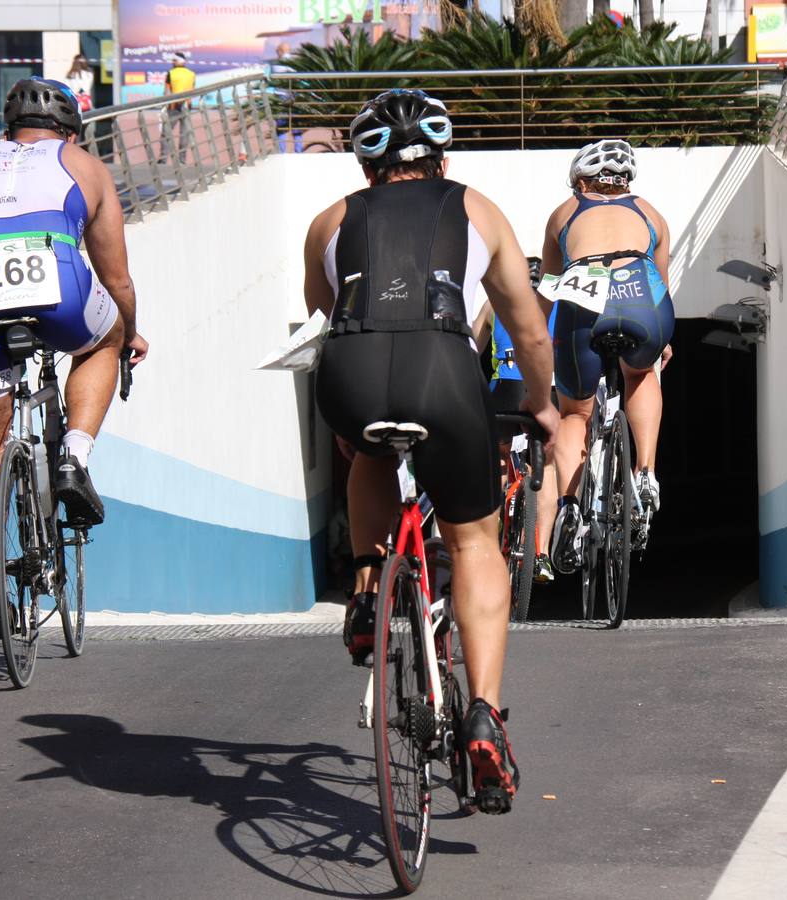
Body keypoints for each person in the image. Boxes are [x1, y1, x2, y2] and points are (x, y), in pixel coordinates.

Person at [302, 89, 559, 813]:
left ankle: (365, 590)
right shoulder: (477, 209)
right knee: (474, 541)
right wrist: (538, 402)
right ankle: (483, 712)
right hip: (443, 370)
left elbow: (324, 307)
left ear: (367, 163)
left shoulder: (331, 218)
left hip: (352, 372)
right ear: (441, 157)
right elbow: (531, 333)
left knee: (366, 451)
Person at [0, 78, 149, 638]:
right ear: (71, 131)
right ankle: (72, 457)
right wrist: (132, 331)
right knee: (104, 341)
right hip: (57, 279)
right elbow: (117, 277)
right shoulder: (85, 165)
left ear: (7, 129)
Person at [542, 139, 674, 575]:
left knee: (575, 413)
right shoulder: (653, 214)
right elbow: (663, 281)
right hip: (644, 300)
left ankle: (569, 507)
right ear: (626, 181)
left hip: (586, 296)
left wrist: (539, 344)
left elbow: (548, 288)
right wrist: (662, 343)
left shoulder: (564, 212)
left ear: (581, 179)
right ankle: (645, 471)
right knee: (641, 375)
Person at [472, 259, 561, 585]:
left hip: (504, 393)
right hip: (543, 390)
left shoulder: (494, 305)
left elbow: (470, 348)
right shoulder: (557, 306)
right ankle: (541, 554)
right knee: (547, 466)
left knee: (497, 458)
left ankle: (489, 541)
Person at [159, 53, 195, 164]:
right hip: (187, 106)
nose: (172, 62)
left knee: (166, 132)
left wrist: (164, 106)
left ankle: (163, 159)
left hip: (173, 106)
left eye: (174, 60)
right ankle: (182, 160)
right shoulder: (191, 74)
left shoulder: (171, 73)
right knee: (184, 134)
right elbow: (193, 88)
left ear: (180, 61)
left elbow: (167, 91)